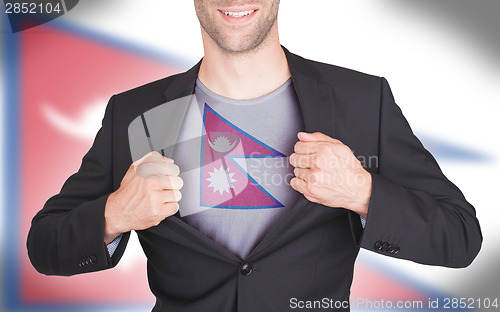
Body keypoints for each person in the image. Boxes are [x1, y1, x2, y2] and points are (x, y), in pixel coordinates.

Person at [27, 1, 482, 311]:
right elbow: (45, 245)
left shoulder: (362, 101)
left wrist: (363, 191)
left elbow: (460, 236)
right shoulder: (136, 113)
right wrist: (114, 214)